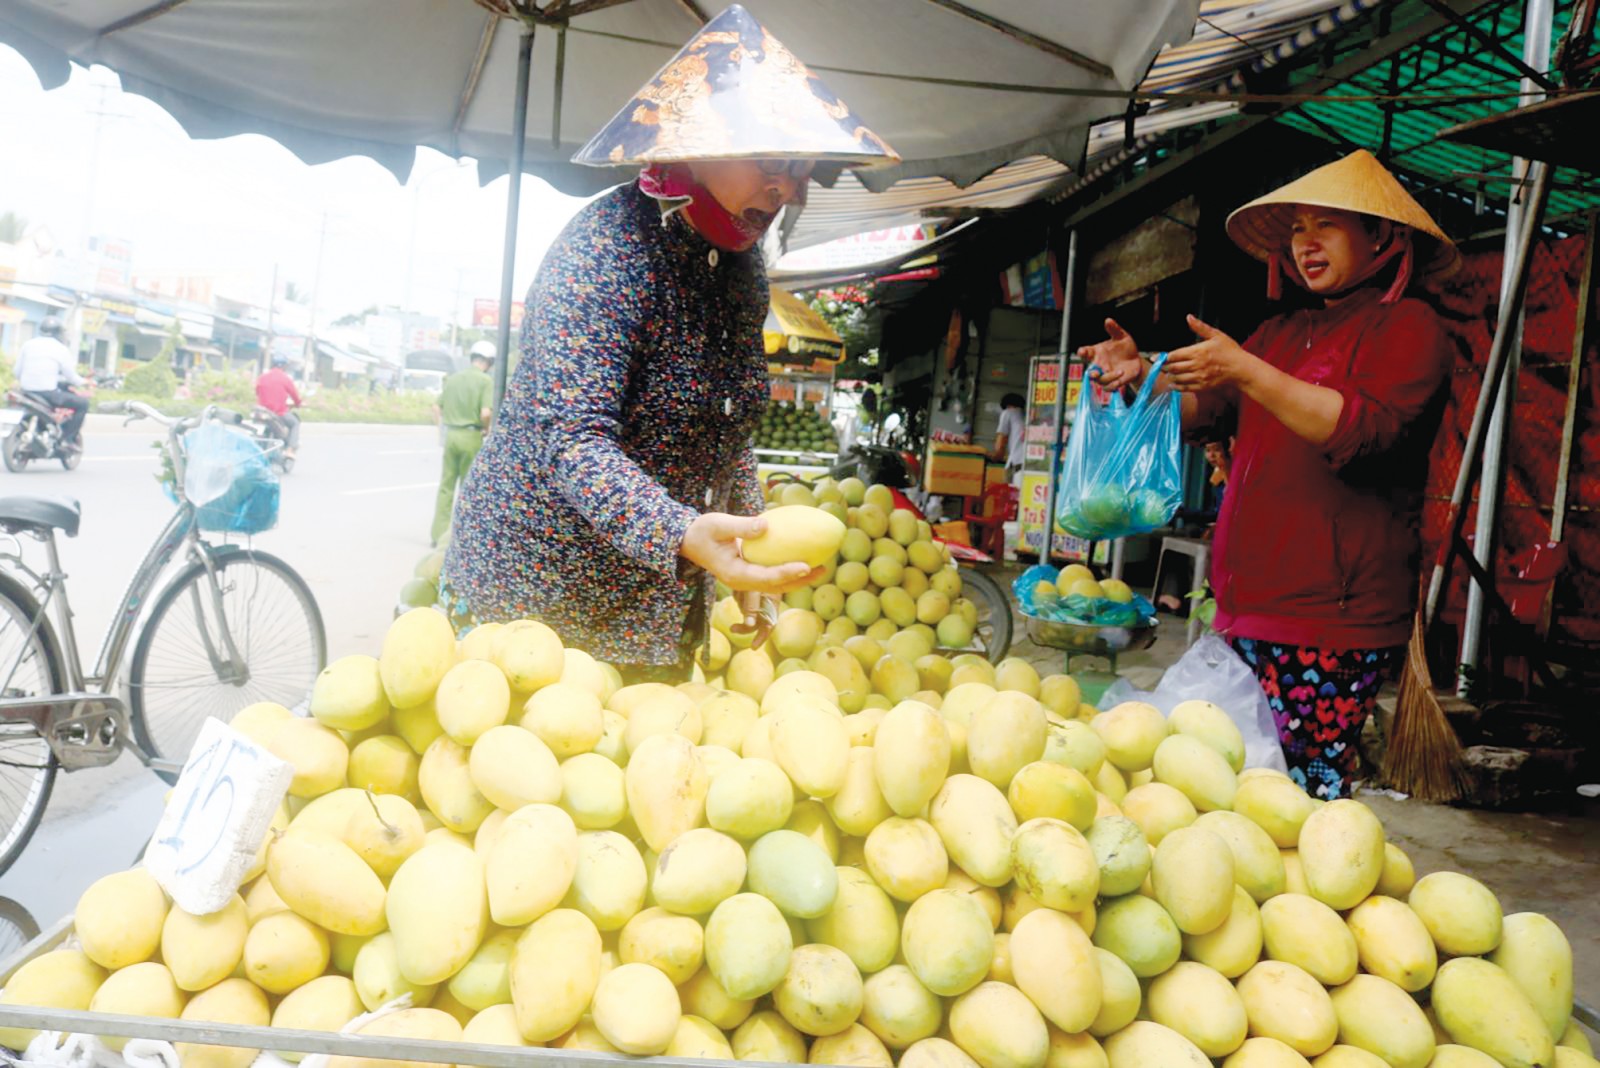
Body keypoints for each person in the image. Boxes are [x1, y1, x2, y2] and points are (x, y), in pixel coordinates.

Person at [440, 5, 897, 682]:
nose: (792, 188)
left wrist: (746, 546)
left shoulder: (742, 272)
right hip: (533, 602)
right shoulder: (605, 250)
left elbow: (729, 430)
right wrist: (683, 532)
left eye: (800, 167)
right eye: (773, 160)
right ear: (693, 146)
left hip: (652, 607)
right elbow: (573, 441)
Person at [1080, 149, 1458, 799]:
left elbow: (1358, 430)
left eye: (1326, 226)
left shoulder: (1410, 328)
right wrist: (1140, 377)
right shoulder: (1278, 332)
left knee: (1295, 810)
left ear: (1382, 237)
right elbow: (1207, 407)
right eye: (1297, 229)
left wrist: (1246, 369)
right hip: (1245, 608)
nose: (1306, 244)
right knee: (1224, 795)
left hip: (1331, 622)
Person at [431, 342, 496, 547]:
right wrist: (487, 429)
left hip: (451, 435)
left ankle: (438, 535)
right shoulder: (485, 380)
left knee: (446, 486)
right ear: (489, 361)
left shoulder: (453, 379)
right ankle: (462, 537)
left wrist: (441, 427)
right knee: (468, 489)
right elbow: (485, 413)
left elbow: (435, 406)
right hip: (471, 437)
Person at [14, 317, 89, 450]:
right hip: (47, 393)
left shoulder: (28, 344)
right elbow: (71, 377)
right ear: (59, 333)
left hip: (25, 391)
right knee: (83, 403)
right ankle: (67, 439)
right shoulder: (61, 349)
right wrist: (85, 382)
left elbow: (17, 372)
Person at [255, 354, 303, 460]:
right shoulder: (285, 378)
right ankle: (290, 450)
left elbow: (258, 392)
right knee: (295, 423)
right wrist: (298, 403)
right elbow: (295, 395)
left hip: (261, 411)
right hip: (278, 412)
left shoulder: (262, 377)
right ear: (284, 366)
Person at [991, 392, 1027, 484]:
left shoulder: (1008, 413)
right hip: (1030, 463)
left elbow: (1001, 439)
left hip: (1016, 463)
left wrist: (994, 457)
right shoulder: (1026, 416)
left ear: (1007, 406)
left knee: (1008, 493)